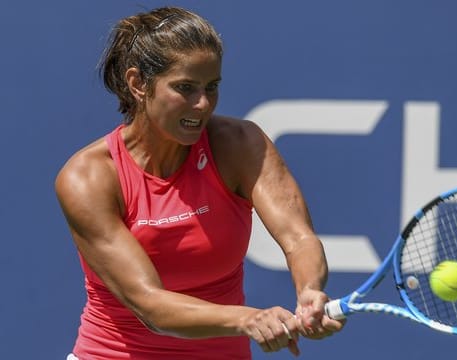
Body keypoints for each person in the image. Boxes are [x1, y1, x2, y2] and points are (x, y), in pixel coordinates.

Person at [55, 6, 344, 360]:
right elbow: (151, 305)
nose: (202, 104)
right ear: (138, 84)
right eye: (185, 88)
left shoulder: (239, 145)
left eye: (212, 87)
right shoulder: (88, 177)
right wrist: (249, 318)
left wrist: (309, 291)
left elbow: (298, 238)